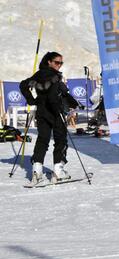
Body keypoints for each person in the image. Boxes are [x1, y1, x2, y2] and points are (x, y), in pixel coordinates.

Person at [20, 51, 80, 184]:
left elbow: (23, 85)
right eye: (57, 62)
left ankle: (37, 171)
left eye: (61, 63)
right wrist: (58, 108)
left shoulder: (39, 74)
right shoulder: (55, 76)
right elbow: (54, 96)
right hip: (55, 111)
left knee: (42, 140)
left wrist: (31, 100)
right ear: (49, 62)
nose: (59, 65)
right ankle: (58, 171)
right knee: (61, 140)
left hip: (42, 111)